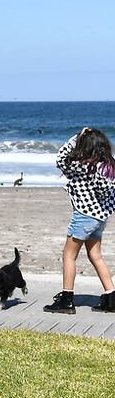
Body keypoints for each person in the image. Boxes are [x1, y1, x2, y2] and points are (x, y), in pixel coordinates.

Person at [44, 127, 115, 314]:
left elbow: (61, 158)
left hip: (84, 216)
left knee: (69, 255)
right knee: (95, 256)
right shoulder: (109, 167)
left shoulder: (82, 166)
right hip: (100, 217)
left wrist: (76, 138)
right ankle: (112, 298)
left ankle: (66, 300)